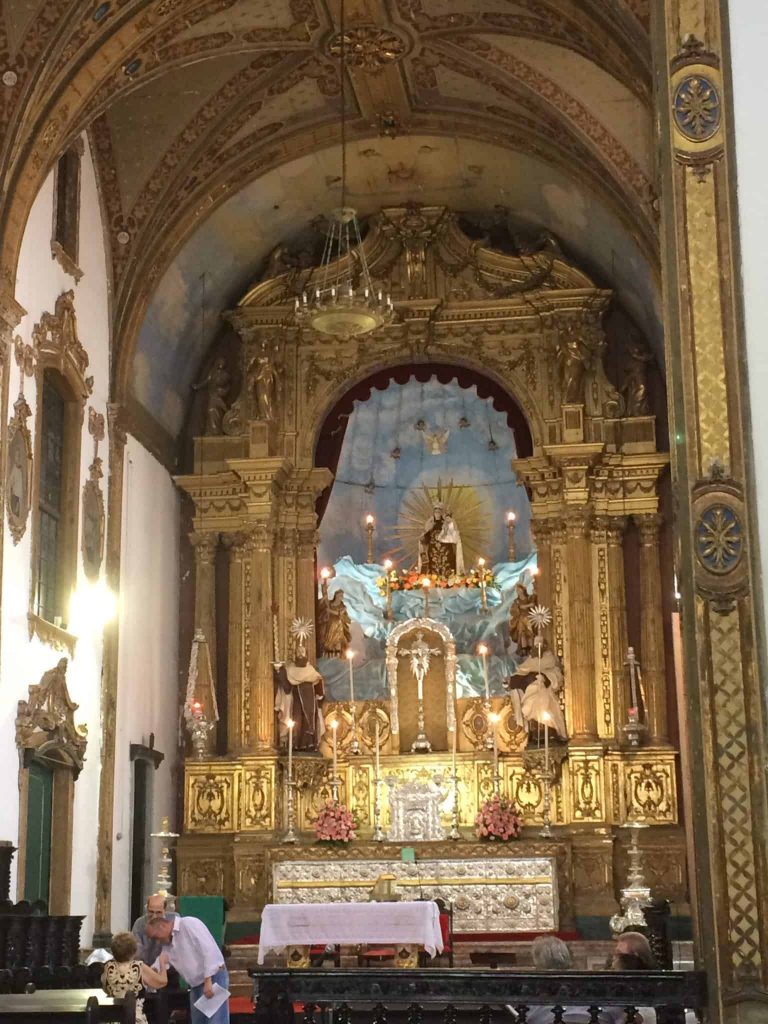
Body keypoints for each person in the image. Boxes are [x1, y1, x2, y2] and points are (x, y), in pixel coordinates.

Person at [145, 915, 229, 1024]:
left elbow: (208, 950)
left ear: (163, 926)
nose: (157, 941)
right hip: (195, 985)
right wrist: (149, 974)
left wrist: (208, 980)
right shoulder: (167, 945)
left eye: (156, 937)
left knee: (216, 1021)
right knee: (198, 1021)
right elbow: (161, 962)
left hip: (213, 977)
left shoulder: (188, 924)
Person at [101, 931, 167, 1024]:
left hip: (113, 1018)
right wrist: (162, 963)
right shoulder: (139, 967)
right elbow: (162, 982)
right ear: (134, 950)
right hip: (135, 1018)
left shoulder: (108, 967)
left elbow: (105, 988)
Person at [419, 502, 465, 576]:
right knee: (434, 572)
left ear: (442, 512)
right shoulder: (429, 523)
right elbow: (424, 539)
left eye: (439, 511)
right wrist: (427, 530)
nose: (437, 513)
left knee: (448, 571)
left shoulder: (446, 523)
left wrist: (451, 524)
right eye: (436, 511)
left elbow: (454, 536)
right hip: (433, 553)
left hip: (446, 551)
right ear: (433, 512)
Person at [131, 893, 179, 965]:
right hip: (146, 967)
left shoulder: (174, 920)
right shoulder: (139, 924)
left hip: (170, 968)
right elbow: (136, 952)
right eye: (151, 912)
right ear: (147, 909)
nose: (154, 916)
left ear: (165, 910)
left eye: (158, 912)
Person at [317, 577, 351, 657]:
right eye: (340, 595)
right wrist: (324, 585)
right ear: (336, 596)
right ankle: (329, 654)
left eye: (342, 596)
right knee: (328, 642)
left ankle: (338, 654)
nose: (341, 597)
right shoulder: (330, 604)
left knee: (338, 641)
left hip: (338, 627)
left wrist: (329, 611)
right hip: (329, 627)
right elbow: (324, 598)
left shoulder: (343, 607)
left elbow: (339, 614)